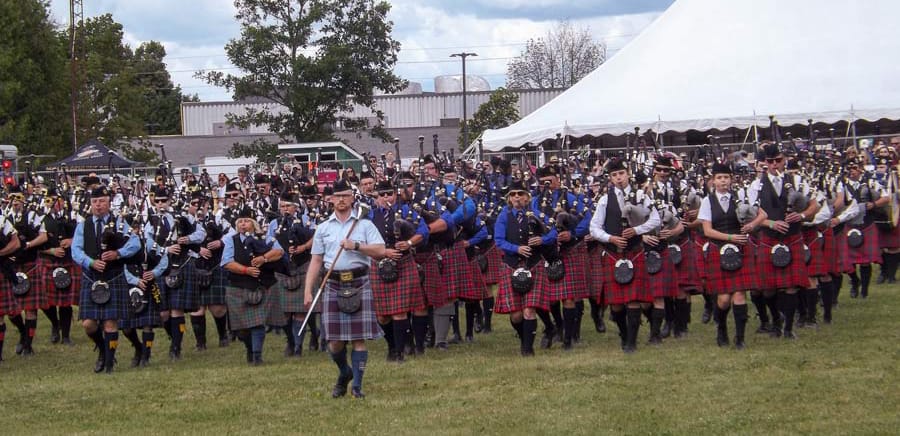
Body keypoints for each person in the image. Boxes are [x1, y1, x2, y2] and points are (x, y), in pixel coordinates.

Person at [304, 179, 385, 399]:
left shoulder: (364, 225)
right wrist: (308, 290)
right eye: (337, 196)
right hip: (333, 283)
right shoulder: (323, 228)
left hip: (360, 282)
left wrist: (356, 246)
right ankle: (344, 372)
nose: (341, 200)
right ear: (330, 199)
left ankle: (357, 386)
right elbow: (316, 261)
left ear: (352, 198)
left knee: (359, 338)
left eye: (345, 196)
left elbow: (380, 251)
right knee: (334, 342)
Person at [589, 159, 660, 353]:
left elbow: (655, 219)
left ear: (627, 173)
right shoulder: (605, 200)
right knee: (617, 305)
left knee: (634, 299)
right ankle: (624, 333)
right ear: (610, 178)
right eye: (614, 175)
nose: (619, 178)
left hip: (634, 251)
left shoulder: (641, 196)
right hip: (614, 254)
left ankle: (631, 342)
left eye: (621, 173)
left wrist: (637, 230)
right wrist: (610, 238)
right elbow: (594, 228)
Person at [71, 185, 141, 373]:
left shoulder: (119, 223)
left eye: (102, 201)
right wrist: (90, 262)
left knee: (110, 323)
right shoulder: (83, 225)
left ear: (109, 203)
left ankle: (109, 364)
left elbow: (135, 243)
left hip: (113, 276)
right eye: (95, 202)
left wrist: (118, 253)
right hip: (91, 277)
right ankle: (103, 350)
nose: (98, 205)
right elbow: (76, 250)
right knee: (88, 324)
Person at [698, 163, 765, 348]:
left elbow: (763, 214)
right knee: (724, 299)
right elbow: (707, 231)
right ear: (713, 181)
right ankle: (721, 328)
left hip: (741, 250)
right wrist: (730, 237)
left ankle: (740, 339)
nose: (723, 181)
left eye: (726, 177)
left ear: (731, 179)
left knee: (739, 295)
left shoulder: (741, 197)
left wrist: (752, 225)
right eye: (719, 178)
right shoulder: (708, 201)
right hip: (719, 250)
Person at [221, 209, 285, 366]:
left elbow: (279, 251)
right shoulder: (231, 239)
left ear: (254, 223)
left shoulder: (265, 237)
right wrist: (246, 270)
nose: (243, 224)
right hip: (238, 285)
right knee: (241, 329)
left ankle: (257, 355)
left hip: (263, 285)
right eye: (240, 221)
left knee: (258, 323)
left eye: (247, 221)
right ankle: (250, 349)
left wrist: (264, 258)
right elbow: (226, 262)